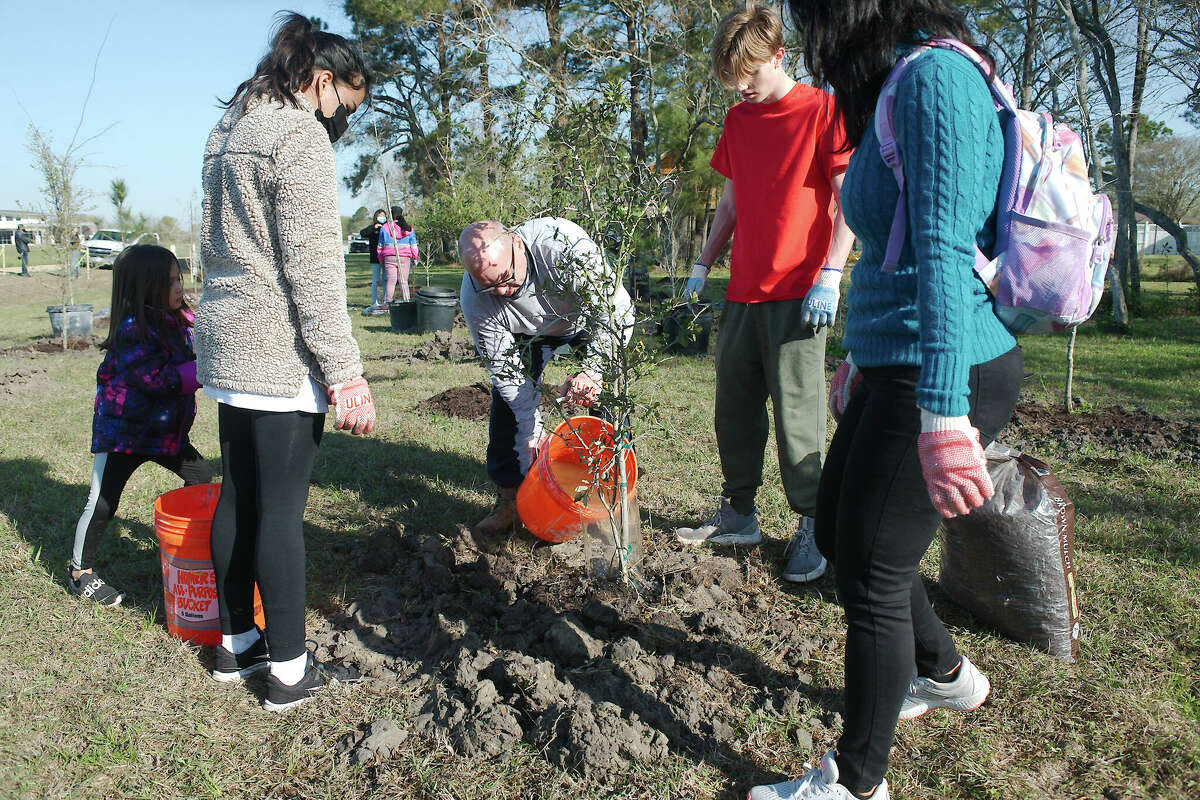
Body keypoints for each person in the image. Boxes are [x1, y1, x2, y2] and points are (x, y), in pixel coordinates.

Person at [747, 2, 1024, 798]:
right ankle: (941, 671)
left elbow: (941, 252)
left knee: (871, 570)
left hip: (949, 367)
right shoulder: (902, 80)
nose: (808, 41)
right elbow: (893, 251)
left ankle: (857, 781)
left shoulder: (938, 78)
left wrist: (942, 414)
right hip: (899, 360)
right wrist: (863, 363)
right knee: (839, 529)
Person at [196, 12, 376, 712]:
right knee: (281, 512)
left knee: (238, 495)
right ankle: (291, 674)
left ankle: (235, 644)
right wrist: (346, 372)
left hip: (227, 338)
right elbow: (314, 268)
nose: (340, 127)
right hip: (275, 346)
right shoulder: (297, 135)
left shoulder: (230, 128)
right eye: (344, 110)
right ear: (321, 81)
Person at [673, 1, 855, 585]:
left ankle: (812, 524)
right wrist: (703, 264)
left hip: (802, 291)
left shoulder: (824, 111)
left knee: (798, 415)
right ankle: (739, 512)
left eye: (750, 76)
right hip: (743, 290)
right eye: (733, 80)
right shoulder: (737, 121)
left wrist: (832, 273)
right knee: (735, 408)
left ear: (780, 55)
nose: (742, 89)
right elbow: (729, 201)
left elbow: (849, 199)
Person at [458, 218, 632, 538]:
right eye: (489, 285)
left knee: (609, 394)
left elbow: (616, 309)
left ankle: (611, 493)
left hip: (584, 319)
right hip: (529, 332)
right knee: (507, 402)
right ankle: (510, 499)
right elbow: (505, 370)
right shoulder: (475, 298)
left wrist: (594, 370)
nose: (501, 291)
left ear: (518, 246)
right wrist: (532, 430)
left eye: (507, 278)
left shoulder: (562, 246)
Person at [69, 244, 211, 607]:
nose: (179, 287)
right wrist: (208, 371)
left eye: (180, 279)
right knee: (102, 501)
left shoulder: (181, 319)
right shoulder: (133, 329)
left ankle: (189, 545)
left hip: (164, 434)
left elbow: (200, 343)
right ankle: (79, 572)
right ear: (144, 288)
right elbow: (157, 379)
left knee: (200, 476)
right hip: (124, 434)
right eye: (169, 282)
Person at [377, 206, 417, 302]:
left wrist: (381, 258)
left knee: (391, 281)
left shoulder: (385, 228)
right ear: (401, 214)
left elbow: (380, 246)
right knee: (403, 282)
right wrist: (415, 257)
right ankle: (406, 301)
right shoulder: (408, 228)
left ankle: (388, 302)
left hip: (389, 258)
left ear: (391, 214)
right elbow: (414, 245)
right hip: (404, 258)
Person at [359, 208, 387, 314]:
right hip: (375, 259)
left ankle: (385, 301)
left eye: (383, 215)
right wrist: (373, 227)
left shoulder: (387, 227)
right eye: (380, 215)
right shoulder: (373, 228)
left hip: (386, 257)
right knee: (375, 280)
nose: (382, 217)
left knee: (385, 280)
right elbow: (362, 233)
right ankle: (374, 302)